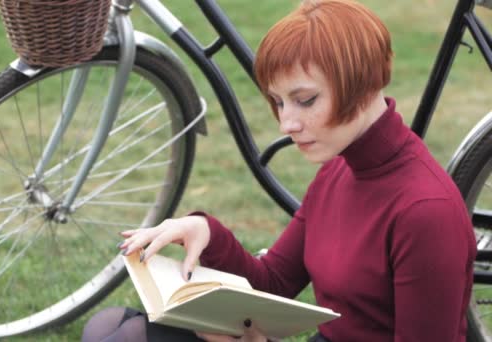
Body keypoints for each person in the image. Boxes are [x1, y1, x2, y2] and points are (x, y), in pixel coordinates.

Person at [82, 0, 477, 341]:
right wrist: (206, 232)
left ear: (363, 85)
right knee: (107, 327)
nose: (286, 123)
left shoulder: (426, 211)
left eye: (304, 100)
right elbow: (274, 282)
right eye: (278, 102)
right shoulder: (339, 168)